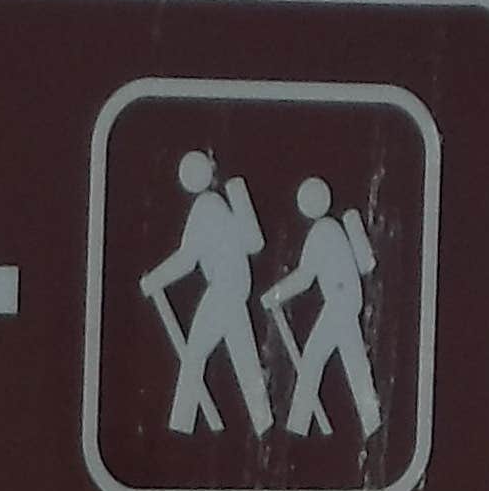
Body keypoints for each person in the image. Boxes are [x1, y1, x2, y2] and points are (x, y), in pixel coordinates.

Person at [135, 150, 273, 435]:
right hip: (236, 292)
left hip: (223, 292)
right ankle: (264, 426)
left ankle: (180, 428)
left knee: (194, 357)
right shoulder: (221, 204)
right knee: (246, 365)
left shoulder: (206, 207)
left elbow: (188, 258)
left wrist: (153, 280)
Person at [262, 175, 381, 440]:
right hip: (348, 302)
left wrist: (275, 295)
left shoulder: (322, 232)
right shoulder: (334, 228)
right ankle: (372, 422)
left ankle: (297, 427)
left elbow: (305, 277)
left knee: (314, 359)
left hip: (339, 304)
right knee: (354, 364)